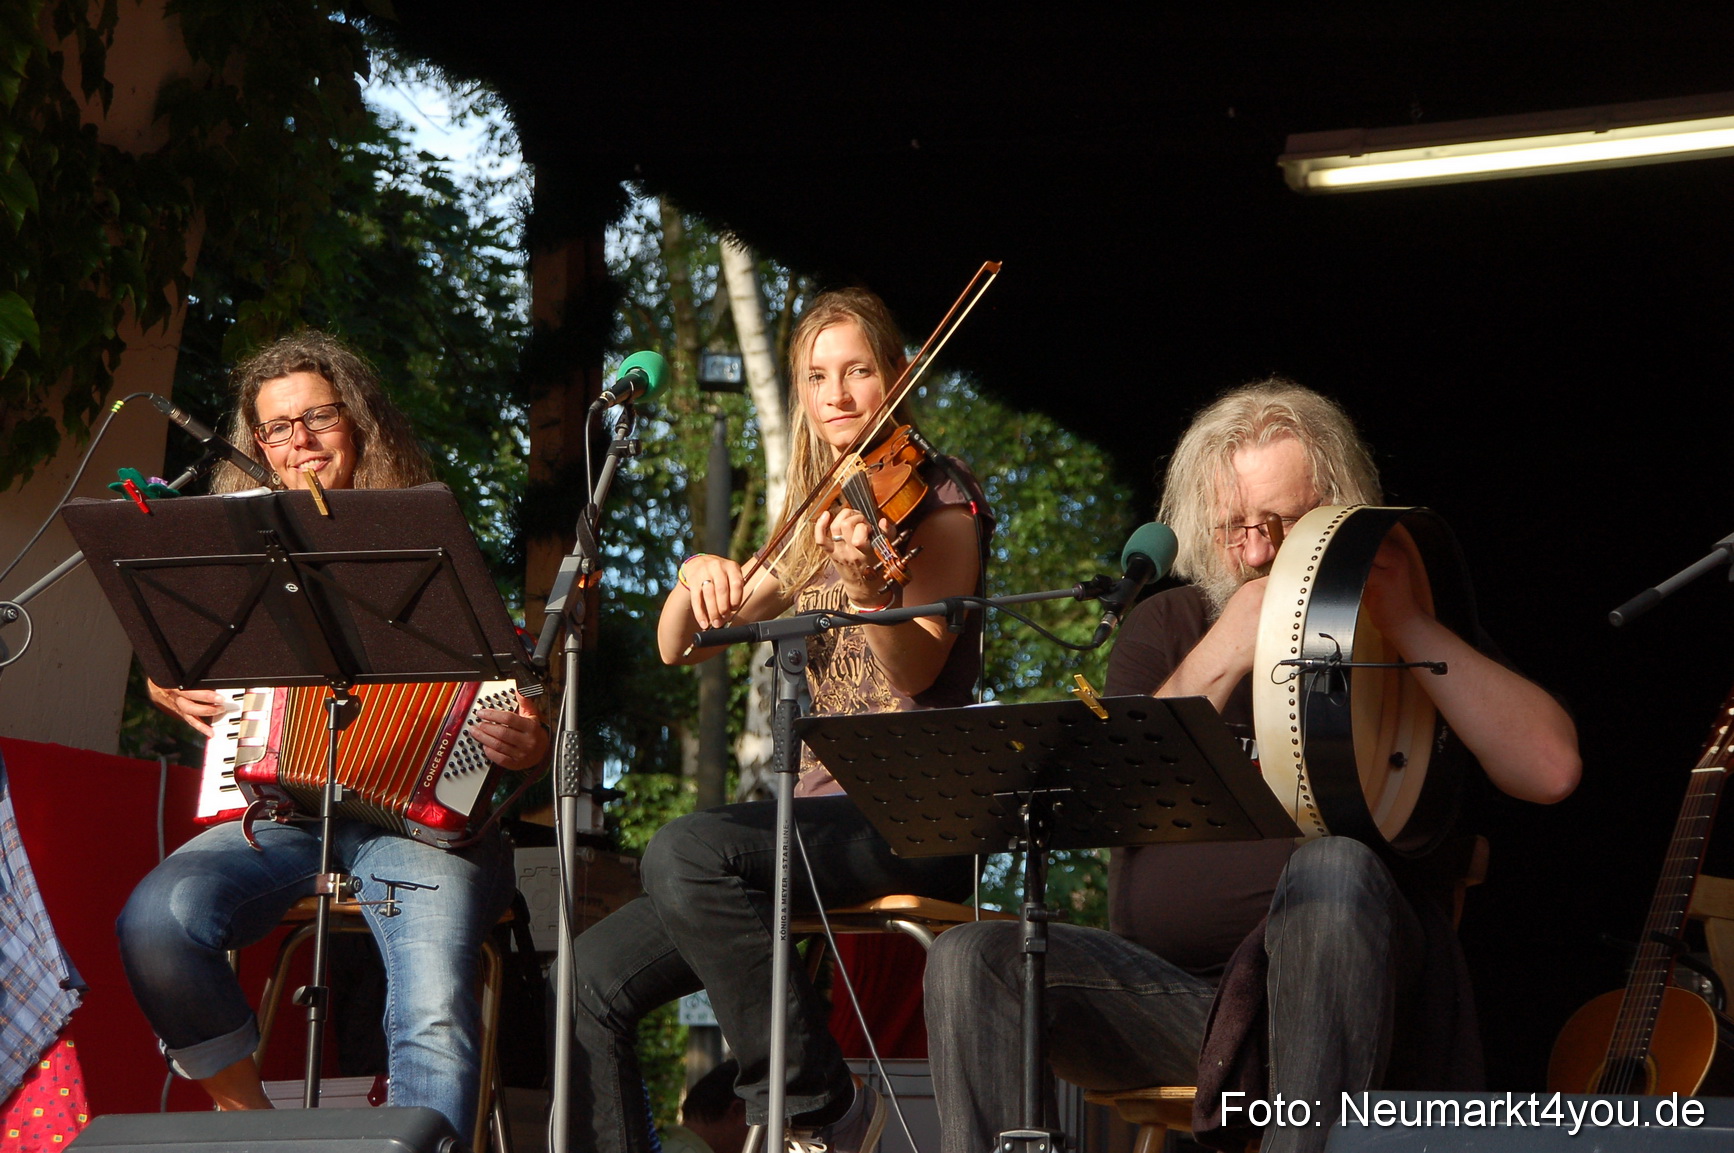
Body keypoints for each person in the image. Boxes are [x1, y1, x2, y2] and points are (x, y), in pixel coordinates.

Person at [924, 379, 1580, 1153]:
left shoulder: (1401, 622)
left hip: (1350, 1003)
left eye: (1284, 523)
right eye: (1236, 527)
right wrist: (1228, 647)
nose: (1261, 551)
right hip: (1177, 1006)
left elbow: (1550, 767)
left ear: (1338, 512)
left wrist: (1404, 621)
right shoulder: (1171, 622)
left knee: (1334, 864)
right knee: (971, 956)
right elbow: (1105, 794)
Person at [569, 288, 991, 1153]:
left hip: (913, 812)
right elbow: (679, 648)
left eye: (858, 371)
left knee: (685, 847)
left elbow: (917, 666)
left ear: (898, 378)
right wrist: (694, 575)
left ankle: (819, 1108)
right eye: (817, 377)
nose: (836, 394)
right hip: (812, 822)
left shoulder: (940, 501)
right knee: (591, 977)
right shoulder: (812, 517)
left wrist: (874, 590)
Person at [116, 331, 547, 1138]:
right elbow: (184, 652)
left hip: (426, 824)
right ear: (257, 445)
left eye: (316, 417)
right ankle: (256, 1130)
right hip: (283, 812)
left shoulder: (430, 541)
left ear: (361, 424)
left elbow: (523, 700)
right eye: (275, 428)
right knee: (156, 923)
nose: (296, 441)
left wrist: (529, 736)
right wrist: (167, 675)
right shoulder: (236, 550)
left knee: (428, 1008)